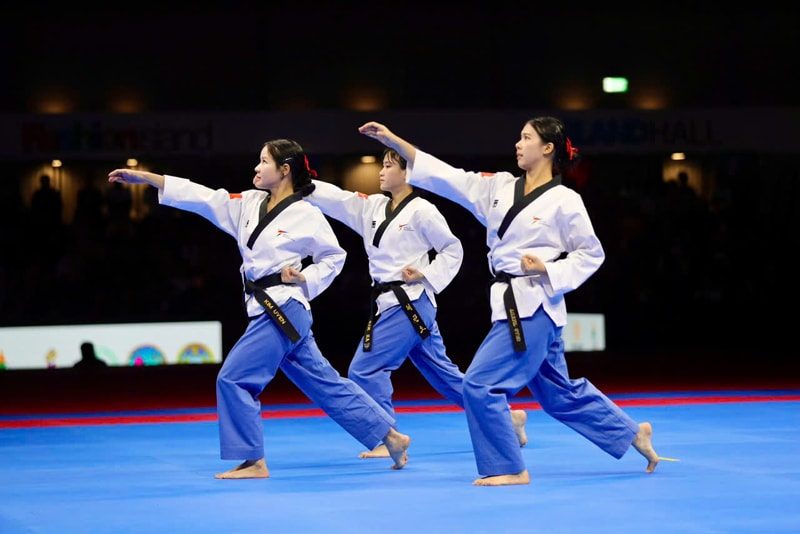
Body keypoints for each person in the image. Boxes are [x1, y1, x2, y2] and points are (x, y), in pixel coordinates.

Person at [358, 118, 659, 486]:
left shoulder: (565, 200)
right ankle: (631, 432)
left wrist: (548, 268)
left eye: (526, 137)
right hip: (512, 303)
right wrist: (395, 141)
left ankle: (508, 467)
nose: (518, 143)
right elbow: (445, 176)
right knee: (558, 395)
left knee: (479, 385)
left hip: (534, 305)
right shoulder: (499, 187)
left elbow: (590, 253)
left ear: (548, 148)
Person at [108, 138, 411, 479]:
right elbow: (202, 197)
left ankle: (253, 461)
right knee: (325, 384)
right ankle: (391, 436)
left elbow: (334, 256)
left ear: (284, 170)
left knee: (234, 379)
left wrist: (306, 278)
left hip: (284, 307)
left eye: (264, 161)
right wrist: (148, 179)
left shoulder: (306, 214)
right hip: (269, 308)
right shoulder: (248, 204)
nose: (256, 167)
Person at [306, 148, 528, 458]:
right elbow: (339, 200)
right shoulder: (373, 207)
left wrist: (427, 274)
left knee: (366, 369)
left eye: (388, 166)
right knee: (445, 377)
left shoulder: (423, 210)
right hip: (394, 303)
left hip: (410, 302)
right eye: (382, 165)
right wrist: (305, 185)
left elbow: (452, 248)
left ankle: (388, 436)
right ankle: (507, 417)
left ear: (407, 173)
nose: (381, 171)